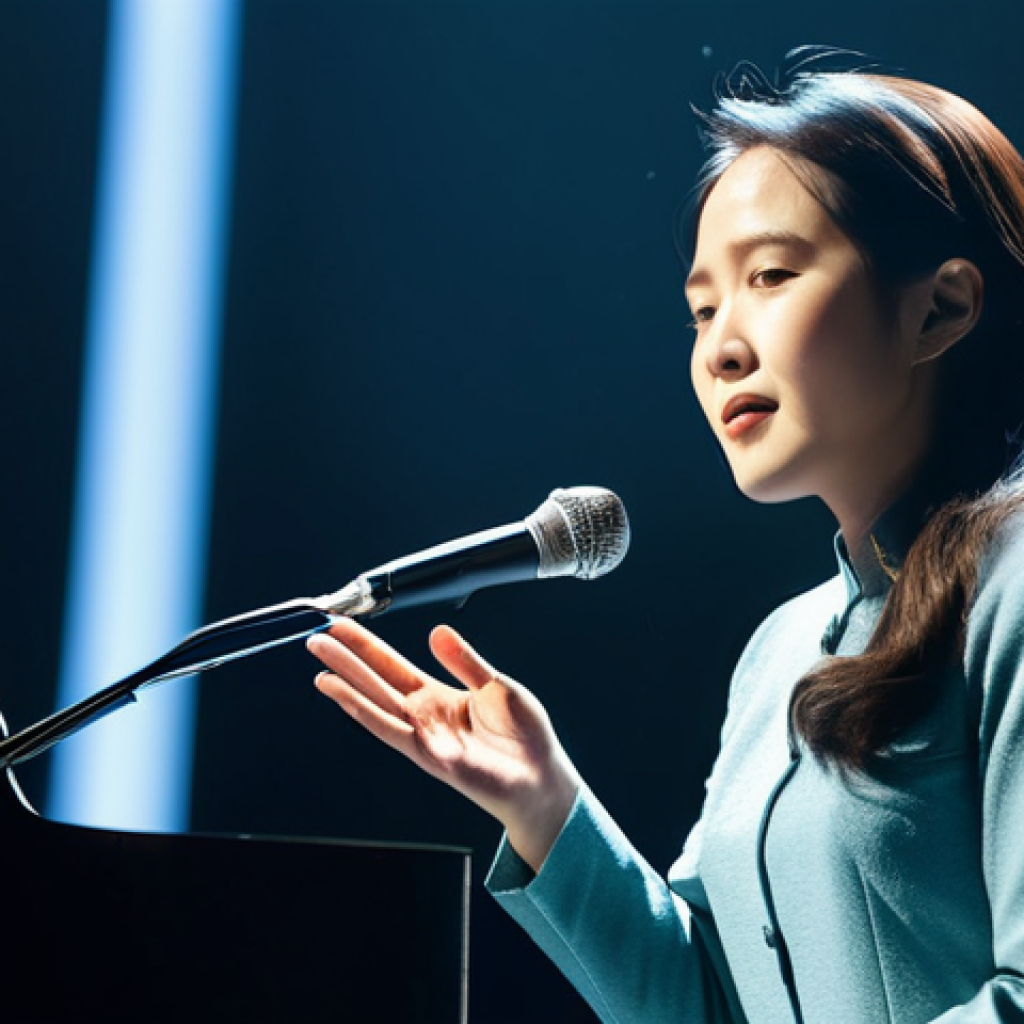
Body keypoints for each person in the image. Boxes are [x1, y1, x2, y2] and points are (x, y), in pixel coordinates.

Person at [306, 50, 1024, 1023]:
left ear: (939, 306)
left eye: (770, 275)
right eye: (700, 308)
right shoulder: (777, 652)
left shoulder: (1012, 587)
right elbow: (701, 1003)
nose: (721, 345)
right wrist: (546, 808)